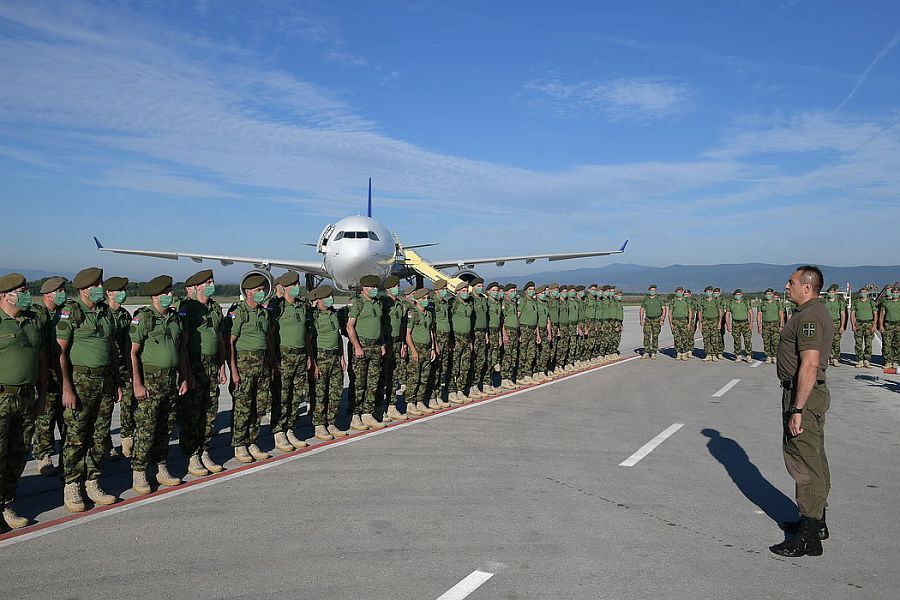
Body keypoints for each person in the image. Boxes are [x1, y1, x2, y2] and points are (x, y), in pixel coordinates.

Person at [770, 265, 833, 557]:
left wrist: (797, 408)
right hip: (806, 393)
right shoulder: (810, 313)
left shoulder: (809, 317)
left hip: (802, 394)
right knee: (813, 457)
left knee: (804, 463)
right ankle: (816, 523)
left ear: (806, 287)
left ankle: (808, 538)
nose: (786, 285)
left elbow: (809, 364)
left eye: (791, 282)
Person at [57, 267, 122, 511]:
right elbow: (60, 352)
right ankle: (72, 486)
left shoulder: (105, 313)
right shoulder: (71, 313)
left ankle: (93, 481)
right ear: (84, 289)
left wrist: (116, 381)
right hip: (80, 383)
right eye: (97, 285)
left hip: (104, 383)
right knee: (76, 437)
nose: (101, 289)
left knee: (99, 436)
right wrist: (67, 387)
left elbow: (112, 350)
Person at [130, 275, 190, 494]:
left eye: (171, 292)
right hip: (150, 380)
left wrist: (183, 376)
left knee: (165, 427)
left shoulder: (174, 319)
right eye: (166, 292)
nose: (170, 295)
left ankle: (161, 466)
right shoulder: (143, 318)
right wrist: (137, 383)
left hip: (171, 380)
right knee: (147, 428)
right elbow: (133, 353)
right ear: (155, 295)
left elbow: (180, 350)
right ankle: (139, 471)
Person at [0, 273, 47, 529]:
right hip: (1, 397)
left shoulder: (31, 322)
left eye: (26, 288)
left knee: (18, 454)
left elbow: (40, 359)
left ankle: (6, 503)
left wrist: (41, 393)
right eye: (20, 290)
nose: (26, 293)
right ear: (4, 295)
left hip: (27, 397)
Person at [179, 269, 228, 473]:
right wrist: (186, 372)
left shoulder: (215, 308)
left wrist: (222, 365)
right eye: (207, 282)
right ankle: (191, 455)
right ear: (197, 286)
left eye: (212, 281)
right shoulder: (188, 308)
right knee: (192, 413)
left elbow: (219, 338)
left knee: (209, 412)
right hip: (194, 364)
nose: (211, 284)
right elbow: (182, 343)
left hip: (212, 365)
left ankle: (204, 449)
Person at [228, 274, 274, 463]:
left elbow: (268, 341)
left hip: (262, 366)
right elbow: (230, 342)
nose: (261, 293)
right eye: (257, 290)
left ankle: (252, 440)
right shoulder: (239, 312)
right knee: (243, 408)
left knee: (259, 405)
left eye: (263, 290)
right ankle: (239, 444)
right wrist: (234, 371)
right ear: (248, 292)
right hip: (244, 366)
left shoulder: (264, 313)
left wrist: (272, 364)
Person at [269, 271, 312, 452]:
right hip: (283, 357)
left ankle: (290, 429)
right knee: (281, 396)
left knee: (295, 397)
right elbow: (269, 336)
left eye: (298, 284)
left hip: (300, 356)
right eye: (293, 285)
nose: (297, 288)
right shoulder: (276, 307)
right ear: (285, 287)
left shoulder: (302, 306)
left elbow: (307, 334)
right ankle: (279, 432)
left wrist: (309, 355)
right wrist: (273, 360)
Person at [28, 276, 66, 475]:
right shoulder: (38, 315)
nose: (63, 294)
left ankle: (66, 456)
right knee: (45, 419)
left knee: (65, 417)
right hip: (46, 375)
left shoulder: (64, 314)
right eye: (59, 291)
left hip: (63, 373)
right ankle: (43, 456)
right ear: (47, 294)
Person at [308, 286, 348, 440]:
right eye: (328, 296)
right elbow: (309, 341)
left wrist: (342, 356)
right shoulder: (314, 316)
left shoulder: (333, 314)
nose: (331, 299)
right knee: (320, 393)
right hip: (321, 356)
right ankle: (319, 425)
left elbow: (337, 336)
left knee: (335, 391)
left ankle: (331, 422)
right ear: (320, 299)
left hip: (334, 357)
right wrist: (314, 363)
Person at [347, 274, 386, 430]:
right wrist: (356, 346)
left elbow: (380, 325)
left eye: (376, 287)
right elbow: (350, 326)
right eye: (372, 287)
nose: (375, 290)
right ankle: (354, 415)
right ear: (364, 288)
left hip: (375, 346)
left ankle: (367, 413)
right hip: (362, 345)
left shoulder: (378, 303)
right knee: (358, 383)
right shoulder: (357, 303)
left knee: (373, 382)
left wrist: (382, 343)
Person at [405, 288, 439, 414]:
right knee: (414, 377)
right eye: (423, 299)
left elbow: (431, 332)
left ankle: (420, 401)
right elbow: (408, 334)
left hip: (427, 349)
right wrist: (413, 351)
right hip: (417, 348)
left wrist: (433, 348)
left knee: (424, 377)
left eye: (427, 298)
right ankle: (410, 403)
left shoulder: (428, 314)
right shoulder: (412, 314)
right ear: (417, 300)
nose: (426, 301)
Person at [380, 275, 407, 422]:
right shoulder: (384, 303)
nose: (398, 288)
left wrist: (403, 343)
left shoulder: (400, 304)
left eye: (398, 285)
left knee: (394, 377)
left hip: (397, 343)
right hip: (386, 342)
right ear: (389, 288)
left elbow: (402, 325)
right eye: (395, 286)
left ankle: (391, 406)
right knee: (382, 377)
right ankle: (379, 409)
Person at [449, 283, 475, 403]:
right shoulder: (453, 304)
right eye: (463, 290)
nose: (465, 292)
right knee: (454, 366)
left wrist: (470, 339)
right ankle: (452, 391)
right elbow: (448, 320)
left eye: (466, 290)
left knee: (465, 366)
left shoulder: (469, 303)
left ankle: (460, 389)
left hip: (466, 337)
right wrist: (451, 339)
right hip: (457, 337)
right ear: (457, 291)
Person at [431, 280, 454, 405]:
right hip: (438, 338)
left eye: (446, 288)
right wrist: (434, 344)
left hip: (446, 337)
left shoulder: (444, 303)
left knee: (442, 368)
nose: (445, 290)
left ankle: (440, 395)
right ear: (436, 291)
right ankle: (433, 397)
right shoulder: (433, 304)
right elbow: (432, 326)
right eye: (443, 288)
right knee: (436, 368)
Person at [500, 283, 521, 389]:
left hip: (514, 331)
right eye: (512, 291)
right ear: (506, 292)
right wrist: (504, 334)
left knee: (513, 356)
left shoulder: (513, 303)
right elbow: (502, 321)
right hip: (508, 331)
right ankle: (504, 379)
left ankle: (509, 378)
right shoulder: (504, 303)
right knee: (507, 356)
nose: (514, 293)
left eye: (515, 291)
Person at [850, 288, 876, 368]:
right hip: (859, 324)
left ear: (867, 293)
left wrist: (874, 325)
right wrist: (853, 325)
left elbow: (875, 313)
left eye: (864, 292)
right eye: (861, 292)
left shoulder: (871, 302)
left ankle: (867, 360)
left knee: (868, 343)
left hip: (869, 324)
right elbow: (852, 314)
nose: (863, 293)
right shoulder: (856, 302)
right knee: (858, 343)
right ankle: (860, 360)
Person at [757, 288, 784, 364]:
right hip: (765, 325)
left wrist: (781, 325)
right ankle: (768, 356)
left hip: (775, 324)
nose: (769, 295)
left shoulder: (777, 303)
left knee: (775, 341)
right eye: (767, 294)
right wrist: (759, 326)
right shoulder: (762, 303)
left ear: (773, 294)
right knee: (766, 341)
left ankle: (775, 356)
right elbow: (759, 314)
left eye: (770, 294)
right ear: (765, 295)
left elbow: (781, 314)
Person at [727, 289, 753, 363]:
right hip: (735, 323)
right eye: (736, 294)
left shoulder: (745, 302)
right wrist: (728, 324)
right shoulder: (731, 303)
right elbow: (728, 314)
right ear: (734, 295)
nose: (738, 296)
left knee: (747, 340)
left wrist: (751, 323)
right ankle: (738, 355)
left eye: (739, 294)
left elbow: (750, 313)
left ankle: (748, 355)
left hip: (745, 323)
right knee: (737, 340)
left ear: (742, 295)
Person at [639, 284, 665, 359]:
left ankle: (653, 352)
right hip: (648, 319)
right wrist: (641, 319)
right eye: (651, 290)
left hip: (657, 319)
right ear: (649, 290)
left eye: (654, 290)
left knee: (655, 336)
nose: (652, 291)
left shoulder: (659, 299)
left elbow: (664, 309)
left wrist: (662, 319)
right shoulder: (646, 299)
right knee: (646, 335)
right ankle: (646, 351)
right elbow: (642, 309)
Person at [823, 284, 846, 367]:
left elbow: (842, 314)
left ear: (835, 293)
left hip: (836, 323)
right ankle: (827, 358)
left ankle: (835, 358)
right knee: (826, 342)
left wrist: (842, 326)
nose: (831, 293)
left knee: (836, 342)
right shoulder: (824, 301)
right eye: (829, 292)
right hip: (826, 323)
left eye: (832, 292)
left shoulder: (839, 301)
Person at [699, 286, 723, 361]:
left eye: (710, 291)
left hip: (714, 321)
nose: (708, 293)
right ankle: (708, 354)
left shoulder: (716, 301)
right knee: (706, 338)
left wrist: (719, 322)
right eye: (707, 291)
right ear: (705, 292)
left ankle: (714, 354)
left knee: (714, 338)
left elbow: (720, 312)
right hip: (705, 321)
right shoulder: (703, 301)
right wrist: (700, 322)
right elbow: (700, 312)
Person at [669, 286, 693, 361]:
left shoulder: (686, 301)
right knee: (676, 338)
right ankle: (678, 352)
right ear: (676, 293)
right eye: (677, 292)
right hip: (675, 321)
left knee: (684, 338)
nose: (679, 293)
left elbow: (690, 312)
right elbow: (670, 313)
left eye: (680, 292)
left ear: (682, 292)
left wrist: (689, 323)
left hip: (684, 321)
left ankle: (684, 352)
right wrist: (671, 324)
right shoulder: (673, 301)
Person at [879, 285, 900, 368]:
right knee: (887, 344)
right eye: (893, 292)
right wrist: (881, 325)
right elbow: (882, 315)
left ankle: (896, 361)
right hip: (888, 325)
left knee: (898, 344)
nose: (895, 294)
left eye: (897, 293)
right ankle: (888, 361)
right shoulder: (886, 302)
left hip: (898, 325)